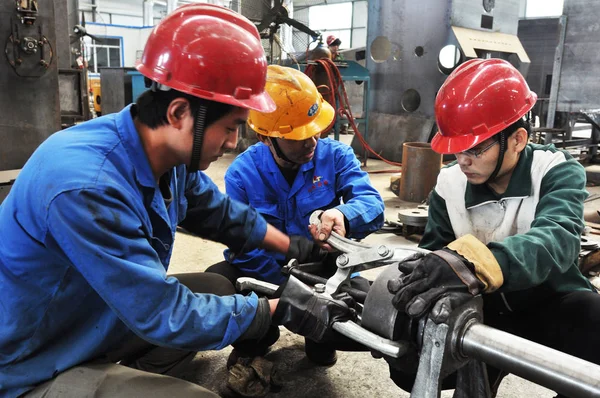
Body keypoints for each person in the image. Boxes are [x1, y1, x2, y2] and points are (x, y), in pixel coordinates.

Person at [0, 5, 355, 398]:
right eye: (232, 127)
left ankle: (122, 375)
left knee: (219, 289)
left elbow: (217, 213)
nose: (234, 144)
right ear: (180, 112)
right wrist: (279, 310)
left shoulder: (165, 154)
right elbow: (160, 311)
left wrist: (291, 245)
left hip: (91, 313)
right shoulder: (86, 186)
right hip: (30, 357)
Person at [387, 58, 600, 396]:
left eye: (475, 148)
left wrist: (474, 263)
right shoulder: (449, 184)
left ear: (517, 139)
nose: (463, 160)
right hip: (483, 310)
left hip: (550, 302)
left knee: (593, 320)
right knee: (409, 359)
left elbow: (557, 240)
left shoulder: (556, 170)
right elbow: (434, 254)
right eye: (456, 149)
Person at [206, 65, 384, 376]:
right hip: (264, 271)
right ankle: (255, 343)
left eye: (314, 130)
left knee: (364, 314)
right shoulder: (242, 174)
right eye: (299, 136)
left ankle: (321, 338)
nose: (311, 142)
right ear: (266, 136)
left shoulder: (337, 156)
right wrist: (288, 294)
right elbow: (244, 247)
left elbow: (373, 204)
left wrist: (343, 214)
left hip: (325, 271)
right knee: (218, 284)